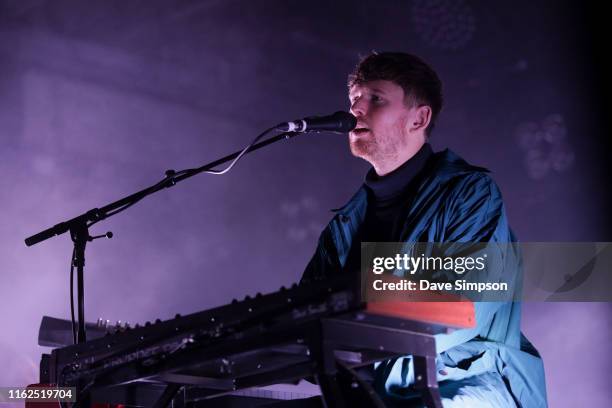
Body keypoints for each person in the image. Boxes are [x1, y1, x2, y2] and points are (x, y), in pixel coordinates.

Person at [301, 52, 547, 407]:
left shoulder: (469, 192)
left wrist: (357, 338)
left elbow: (467, 307)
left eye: (375, 98)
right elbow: (307, 324)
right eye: (354, 98)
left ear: (419, 118)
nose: (356, 109)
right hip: (374, 390)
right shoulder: (341, 227)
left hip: (466, 383)